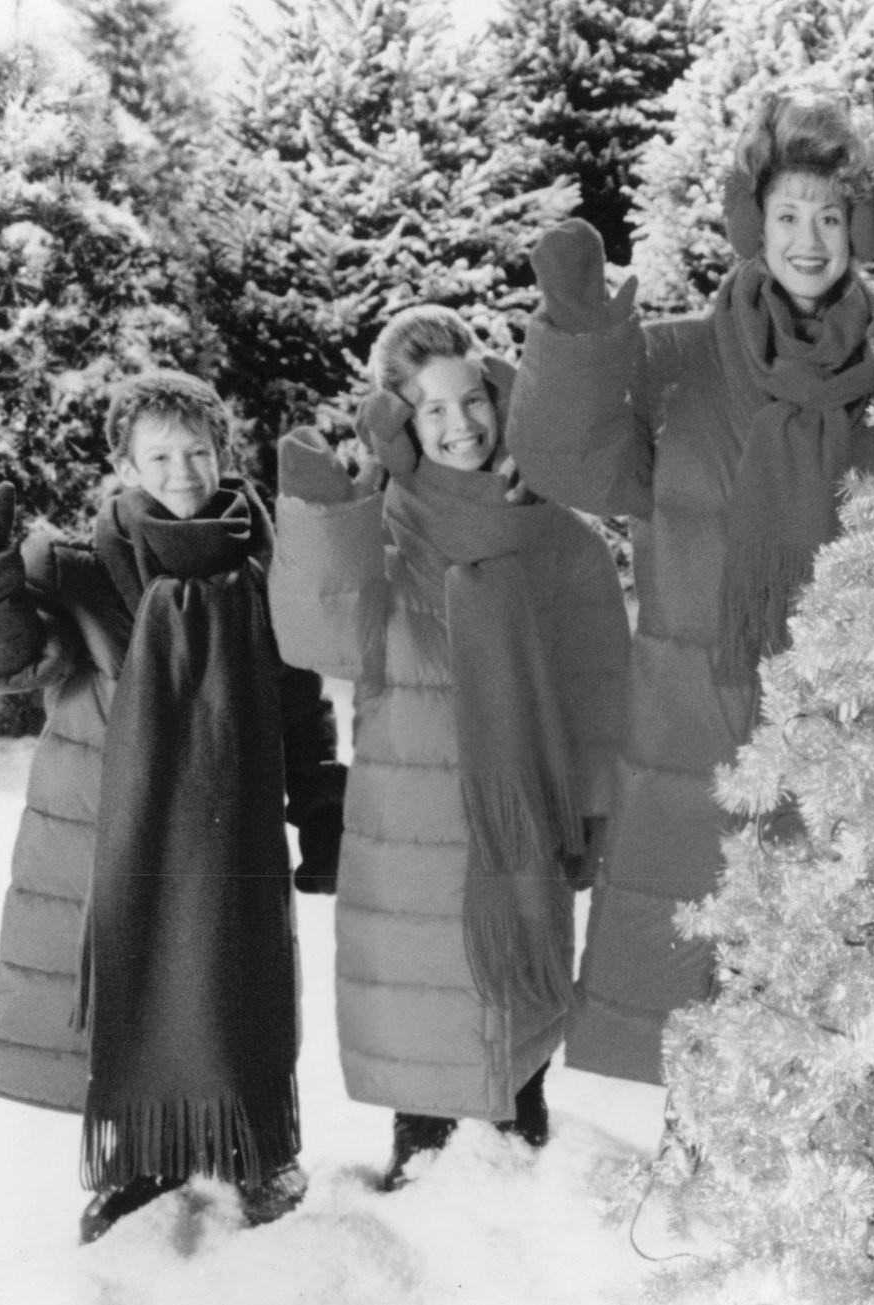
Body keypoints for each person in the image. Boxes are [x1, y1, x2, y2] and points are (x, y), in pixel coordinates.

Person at [508, 90, 874, 1084]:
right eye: (788, 215)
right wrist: (575, 332)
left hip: (852, 731)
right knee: (701, 1015)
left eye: (829, 216)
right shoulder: (673, 361)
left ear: (859, 228)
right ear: (754, 222)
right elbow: (570, 461)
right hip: (696, 730)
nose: (808, 239)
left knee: (840, 1025)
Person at [0, 372, 345, 1242]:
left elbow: (300, 701)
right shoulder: (72, 568)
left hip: (231, 833)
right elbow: (4, 658)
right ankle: (142, 1157)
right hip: (112, 830)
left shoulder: (268, 569)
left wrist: (322, 803)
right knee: (133, 988)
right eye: (160, 454)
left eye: (199, 450)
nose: (183, 471)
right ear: (125, 463)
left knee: (237, 989)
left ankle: (252, 1146)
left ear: (225, 452)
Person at [269, 305, 628, 1189]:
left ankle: (519, 1192)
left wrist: (591, 817)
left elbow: (597, 693)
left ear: (501, 396)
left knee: (516, 1045)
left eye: (473, 399)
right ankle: (418, 1190)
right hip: (412, 825)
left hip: (520, 830)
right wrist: (324, 518)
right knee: (426, 1042)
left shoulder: (559, 537)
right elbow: (321, 641)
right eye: (432, 409)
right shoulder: (381, 533)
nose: (461, 423)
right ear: (398, 420)